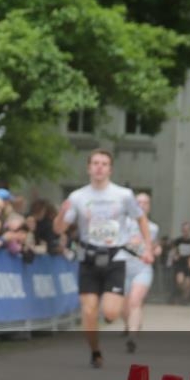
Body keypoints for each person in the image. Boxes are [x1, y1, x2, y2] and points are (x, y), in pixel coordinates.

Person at [52, 150, 153, 369]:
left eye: (104, 164)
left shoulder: (124, 195)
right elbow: (59, 228)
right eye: (95, 163)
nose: (99, 167)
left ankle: (109, 318)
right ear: (88, 168)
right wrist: (61, 214)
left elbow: (141, 219)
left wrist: (148, 248)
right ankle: (95, 352)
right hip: (88, 257)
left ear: (110, 169)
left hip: (115, 257)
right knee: (88, 311)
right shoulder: (77, 197)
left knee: (110, 313)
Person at [116, 192, 161, 353]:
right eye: (139, 202)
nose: (142, 205)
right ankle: (130, 325)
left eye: (145, 203)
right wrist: (130, 243)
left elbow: (153, 244)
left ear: (149, 207)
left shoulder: (153, 227)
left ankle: (132, 337)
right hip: (123, 268)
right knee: (123, 307)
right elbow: (113, 241)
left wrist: (156, 249)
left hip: (142, 268)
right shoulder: (124, 223)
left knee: (135, 301)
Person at [169, 222, 190, 304]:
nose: (186, 231)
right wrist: (175, 255)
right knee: (180, 281)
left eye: (187, 230)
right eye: (184, 230)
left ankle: (185, 300)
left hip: (189, 264)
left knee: (188, 283)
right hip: (180, 264)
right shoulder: (178, 240)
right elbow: (173, 250)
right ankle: (179, 296)